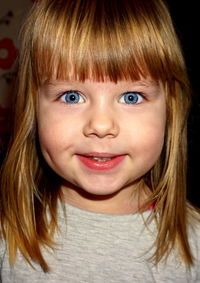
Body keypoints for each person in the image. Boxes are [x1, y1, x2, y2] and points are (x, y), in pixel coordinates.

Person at [0, 0, 200, 281]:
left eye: (132, 97)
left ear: (171, 110)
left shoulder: (194, 246)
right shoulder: (6, 238)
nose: (101, 125)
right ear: (31, 111)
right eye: (72, 96)